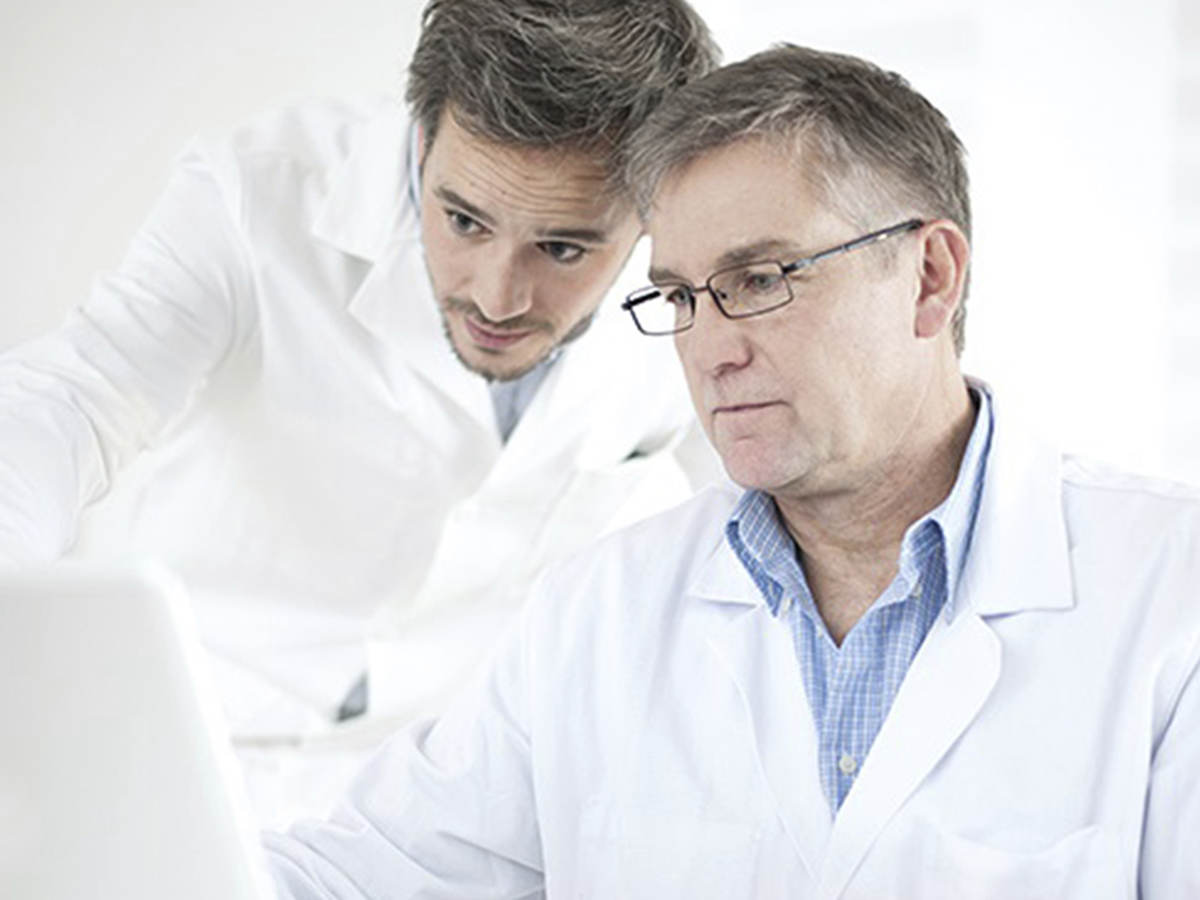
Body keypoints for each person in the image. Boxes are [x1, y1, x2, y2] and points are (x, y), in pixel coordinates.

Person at [264, 44, 1200, 898]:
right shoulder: (599, 611)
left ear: (929, 277)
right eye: (679, 296)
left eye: (761, 280)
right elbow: (354, 877)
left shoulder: (1170, 592)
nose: (709, 348)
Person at [0, 0, 720, 825]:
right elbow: (74, 395)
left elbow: (749, 502)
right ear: (420, 142)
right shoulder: (257, 195)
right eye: (462, 219)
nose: (497, 295)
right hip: (188, 738)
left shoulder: (701, 281)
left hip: (449, 780)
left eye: (563, 248)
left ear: (655, 208)